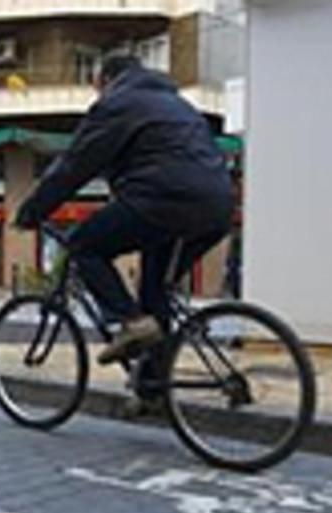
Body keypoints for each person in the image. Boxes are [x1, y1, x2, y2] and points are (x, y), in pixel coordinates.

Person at [14, 54, 232, 366]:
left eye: (96, 88)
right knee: (154, 292)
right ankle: (153, 388)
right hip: (217, 205)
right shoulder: (177, 104)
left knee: (83, 246)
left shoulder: (118, 103)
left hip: (164, 200)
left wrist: (33, 210)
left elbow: (76, 164)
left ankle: (129, 321)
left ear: (105, 80)